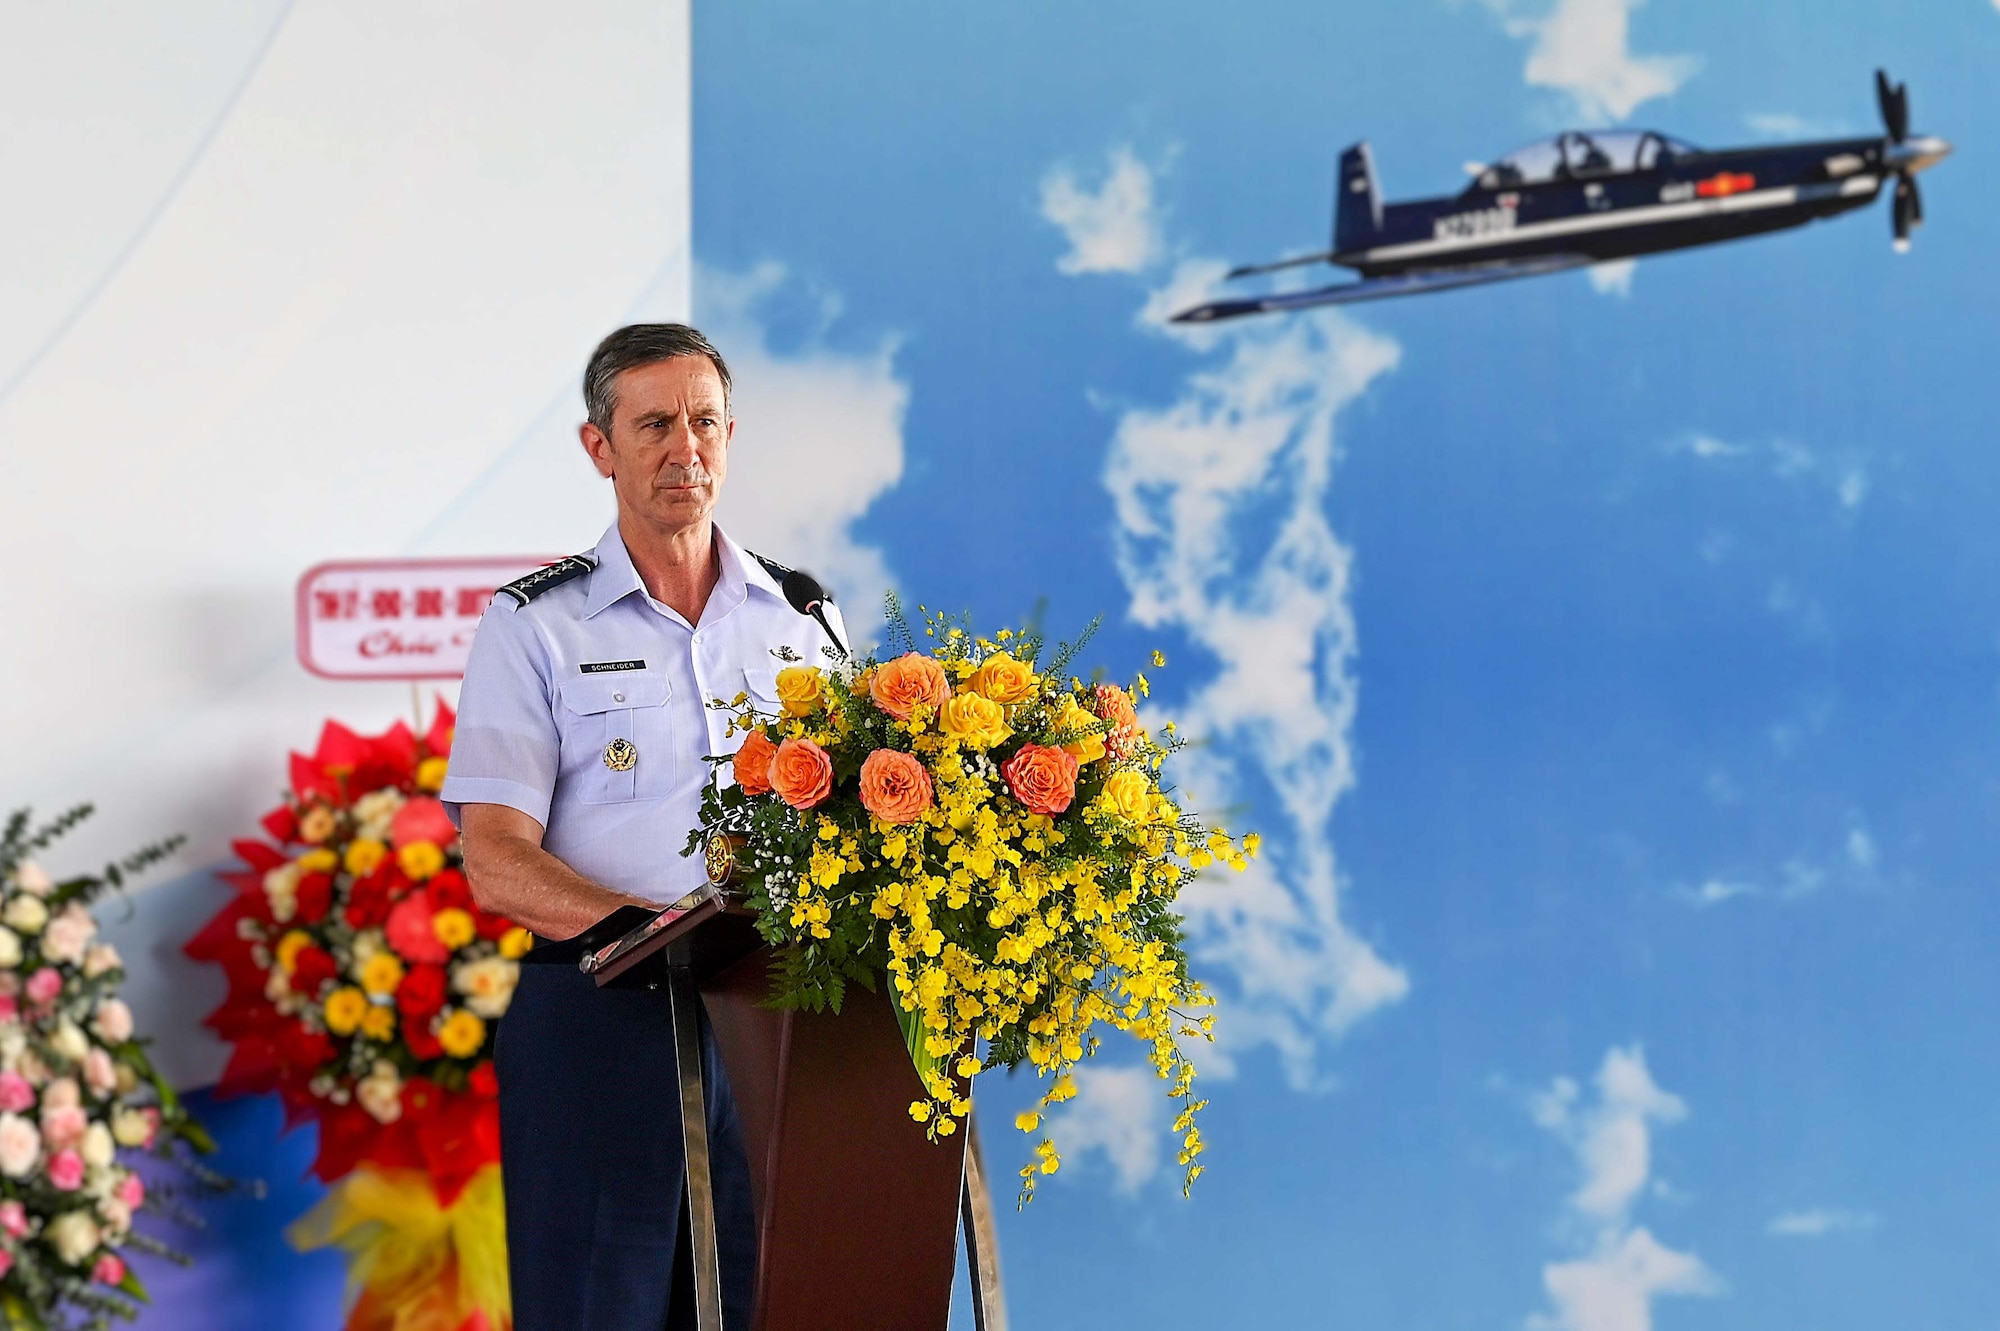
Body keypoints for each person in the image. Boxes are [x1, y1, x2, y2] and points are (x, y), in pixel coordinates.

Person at [441, 324, 846, 1330]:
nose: (685, 447)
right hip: (598, 1015)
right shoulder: (536, 622)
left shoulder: (801, 618)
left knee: (771, 1300)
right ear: (599, 447)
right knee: (598, 1310)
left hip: (773, 1021)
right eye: (654, 423)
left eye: (703, 420)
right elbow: (492, 852)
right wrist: (644, 928)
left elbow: (847, 831)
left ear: (730, 433)